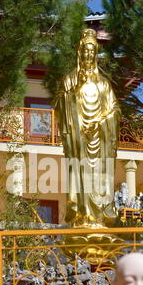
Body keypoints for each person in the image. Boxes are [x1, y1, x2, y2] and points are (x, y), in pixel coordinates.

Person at [55, 28, 121, 228]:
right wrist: (72, 94)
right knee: (80, 173)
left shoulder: (104, 85)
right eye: (85, 51)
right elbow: (59, 104)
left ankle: (99, 215)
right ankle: (82, 213)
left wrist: (100, 123)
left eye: (92, 52)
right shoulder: (70, 80)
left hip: (100, 139)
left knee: (100, 176)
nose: (88, 55)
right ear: (79, 53)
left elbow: (115, 110)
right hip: (78, 139)